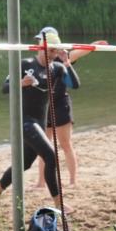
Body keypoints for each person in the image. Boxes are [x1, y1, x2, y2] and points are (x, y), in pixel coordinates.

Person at [0, 30, 79, 214]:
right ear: (41, 48)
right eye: (50, 51)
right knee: (51, 156)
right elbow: (4, 88)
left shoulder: (57, 68)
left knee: (24, 163)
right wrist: (21, 83)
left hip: (40, 122)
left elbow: (75, 84)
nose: (53, 55)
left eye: (55, 51)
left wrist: (66, 61)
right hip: (25, 122)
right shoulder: (25, 64)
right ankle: (59, 204)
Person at [32, 27, 108, 189]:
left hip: (61, 106)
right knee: (43, 147)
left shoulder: (61, 58)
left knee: (65, 145)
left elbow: (79, 52)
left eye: (43, 40)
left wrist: (93, 45)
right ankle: (40, 182)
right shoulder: (38, 61)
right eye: (40, 40)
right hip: (44, 108)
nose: (41, 43)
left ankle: (73, 181)